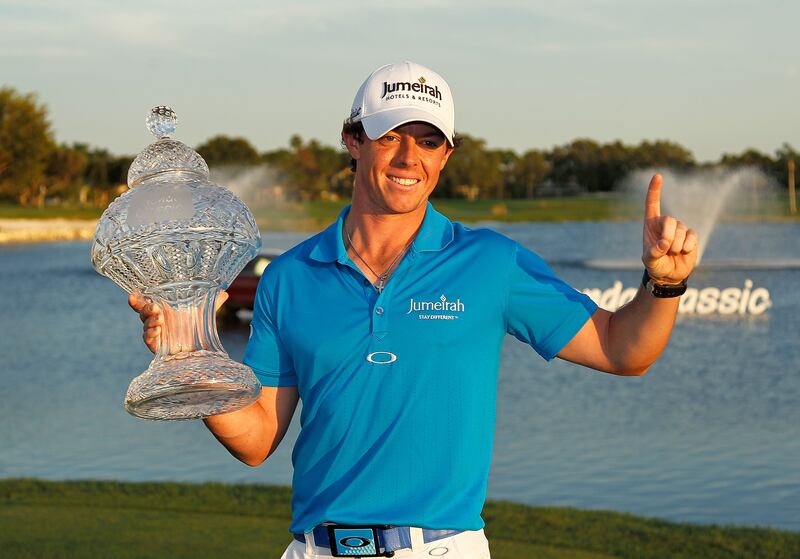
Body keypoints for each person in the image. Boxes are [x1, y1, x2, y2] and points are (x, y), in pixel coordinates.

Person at [130, 61, 697, 559]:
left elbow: (625, 350)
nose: (409, 157)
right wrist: (190, 358)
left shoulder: (490, 263)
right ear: (353, 140)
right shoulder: (289, 277)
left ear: (446, 154)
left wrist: (662, 285)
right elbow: (256, 442)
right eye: (390, 135)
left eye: (429, 141)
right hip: (314, 550)